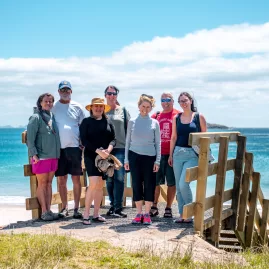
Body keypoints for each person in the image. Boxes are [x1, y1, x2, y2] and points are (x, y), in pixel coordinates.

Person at [168, 92, 207, 223]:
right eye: (181, 101)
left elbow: (205, 138)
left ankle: (189, 213)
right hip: (177, 153)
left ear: (191, 101)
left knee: (183, 184)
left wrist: (203, 156)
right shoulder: (176, 118)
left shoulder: (198, 117)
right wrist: (170, 155)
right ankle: (182, 214)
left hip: (192, 154)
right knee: (178, 188)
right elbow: (173, 137)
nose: (183, 103)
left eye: (185, 100)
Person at [124, 94, 161, 225]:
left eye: (148, 106)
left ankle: (147, 214)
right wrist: (126, 160)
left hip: (150, 157)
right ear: (138, 106)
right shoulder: (132, 121)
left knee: (150, 185)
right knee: (136, 185)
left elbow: (158, 143)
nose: (145, 109)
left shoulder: (155, 123)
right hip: (134, 156)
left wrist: (157, 161)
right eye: (143, 106)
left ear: (151, 107)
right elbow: (127, 141)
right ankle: (139, 213)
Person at [79, 97, 116, 225]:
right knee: (93, 183)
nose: (98, 108)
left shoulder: (108, 122)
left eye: (101, 106)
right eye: (96, 106)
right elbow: (84, 140)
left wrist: (108, 150)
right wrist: (97, 151)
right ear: (91, 108)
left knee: (100, 186)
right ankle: (86, 214)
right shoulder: (86, 122)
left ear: (103, 108)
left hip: (105, 158)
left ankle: (96, 214)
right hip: (91, 156)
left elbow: (113, 139)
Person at [51, 80, 85, 218]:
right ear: (58, 92)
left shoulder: (78, 106)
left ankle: (76, 208)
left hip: (75, 148)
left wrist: (83, 143)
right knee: (61, 180)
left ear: (71, 91)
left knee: (76, 179)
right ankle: (65, 207)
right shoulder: (53, 107)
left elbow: (83, 126)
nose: (65, 92)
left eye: (67, 90)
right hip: (59, 149)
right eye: (62, 90)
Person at [27, 93, 61, 221]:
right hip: (40, 156)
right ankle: (44, 211)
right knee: (41, 183)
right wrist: (33, 154)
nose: (48, 103)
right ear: (40, 103)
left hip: (53, 155)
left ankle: (49, 210)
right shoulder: (35, 117)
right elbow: (30, 138)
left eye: (51, 101)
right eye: (46, 101)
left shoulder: (52, 116)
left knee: (49, 183)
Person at [150, 92, 179, 218]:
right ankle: (154, 206)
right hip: (157, 154)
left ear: (173, 101)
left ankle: (168, 207)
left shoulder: (178, 115)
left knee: (171, 183)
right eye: (163, 100)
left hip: (172, 154)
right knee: (155, 182)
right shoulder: (156, 115)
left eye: (168, 99)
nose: (166, 102)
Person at [105, 85, 130, 218]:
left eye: (114, 93)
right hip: (106, 150)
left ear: (117, 95)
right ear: (105, 95)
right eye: (109, 93)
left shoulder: (123, 111)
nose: (111, 95)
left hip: (121, 147)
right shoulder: (101, 110)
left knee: (120, 178)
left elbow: (130, 130)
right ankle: (112, 205)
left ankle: (118, 207)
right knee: (109, 179)